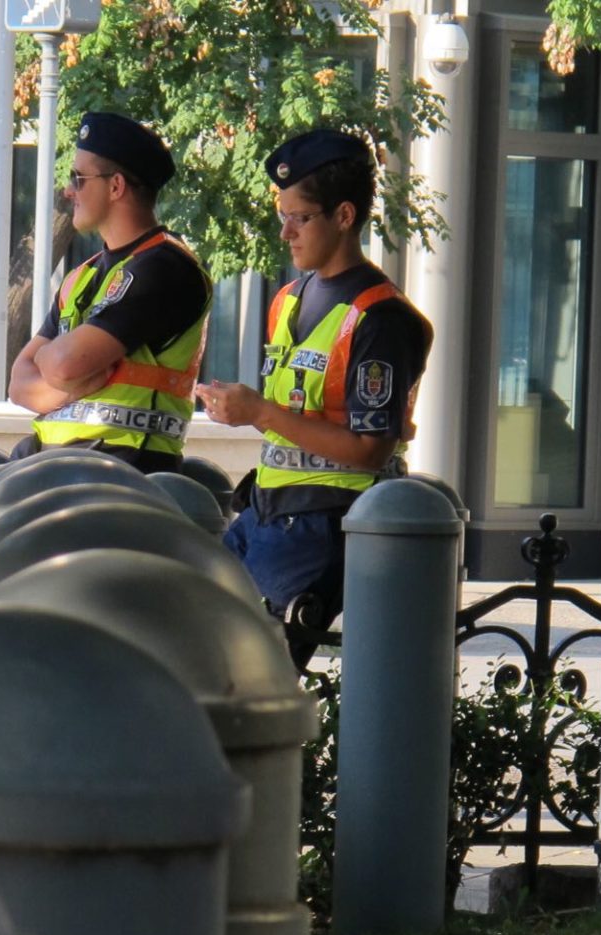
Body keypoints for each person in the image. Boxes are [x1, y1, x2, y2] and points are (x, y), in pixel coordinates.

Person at [196, 129, 433, 669]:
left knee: (241, 677)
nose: (285, 232)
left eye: (299, 217)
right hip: (265, 512)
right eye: (282, 215)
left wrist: (259, 410)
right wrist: (243, 410)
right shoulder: (288, 299)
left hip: (322, 523)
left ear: (344, 215)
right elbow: (293, 419)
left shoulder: (381, 319)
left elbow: (371, 448)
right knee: (191, 646)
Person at [8, 112, 212, 475]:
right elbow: (19, 384)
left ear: (116, 186)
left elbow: (63, 364)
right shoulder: (82, 275)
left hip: (122, 471)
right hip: (54, 464)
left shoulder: (164, 268)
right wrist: (71, 386)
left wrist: (56, 364)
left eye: (78, 178)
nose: (68, 191)